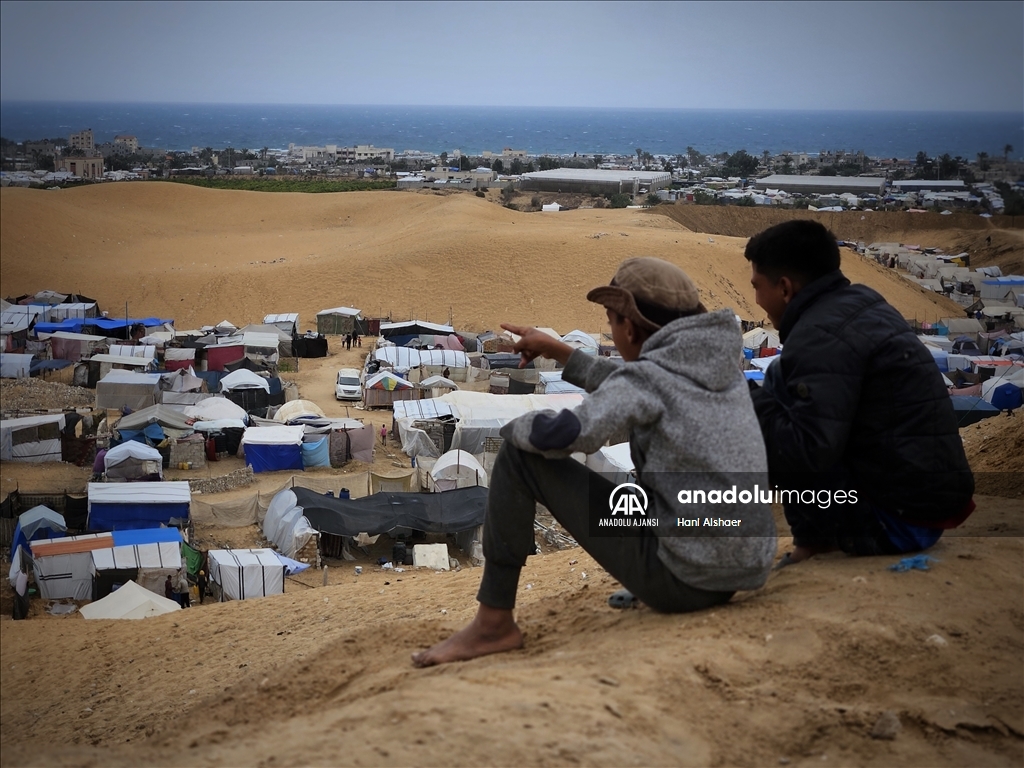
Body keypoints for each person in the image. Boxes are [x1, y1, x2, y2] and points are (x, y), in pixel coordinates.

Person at [412, 257, 777, 667]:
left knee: (519, 456)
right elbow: (642, 388)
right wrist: (563, 353)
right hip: (742, 563)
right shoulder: (718, 366)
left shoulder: (647, 382)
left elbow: (571, 432)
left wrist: (517, 429)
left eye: (611, 320)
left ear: (631, 327)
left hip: (683, 581)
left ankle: (494, 624)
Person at [743, 220, 974, 566]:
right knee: (781, 376)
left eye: (757, 287)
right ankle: (814, 539)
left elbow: (805, 452)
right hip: (928, 509)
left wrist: (737, 394)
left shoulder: (819, 335)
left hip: (896, 522)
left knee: (776, 389)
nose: (756, 299)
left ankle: (812, 544)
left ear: (786, 288)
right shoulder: (862, 302)